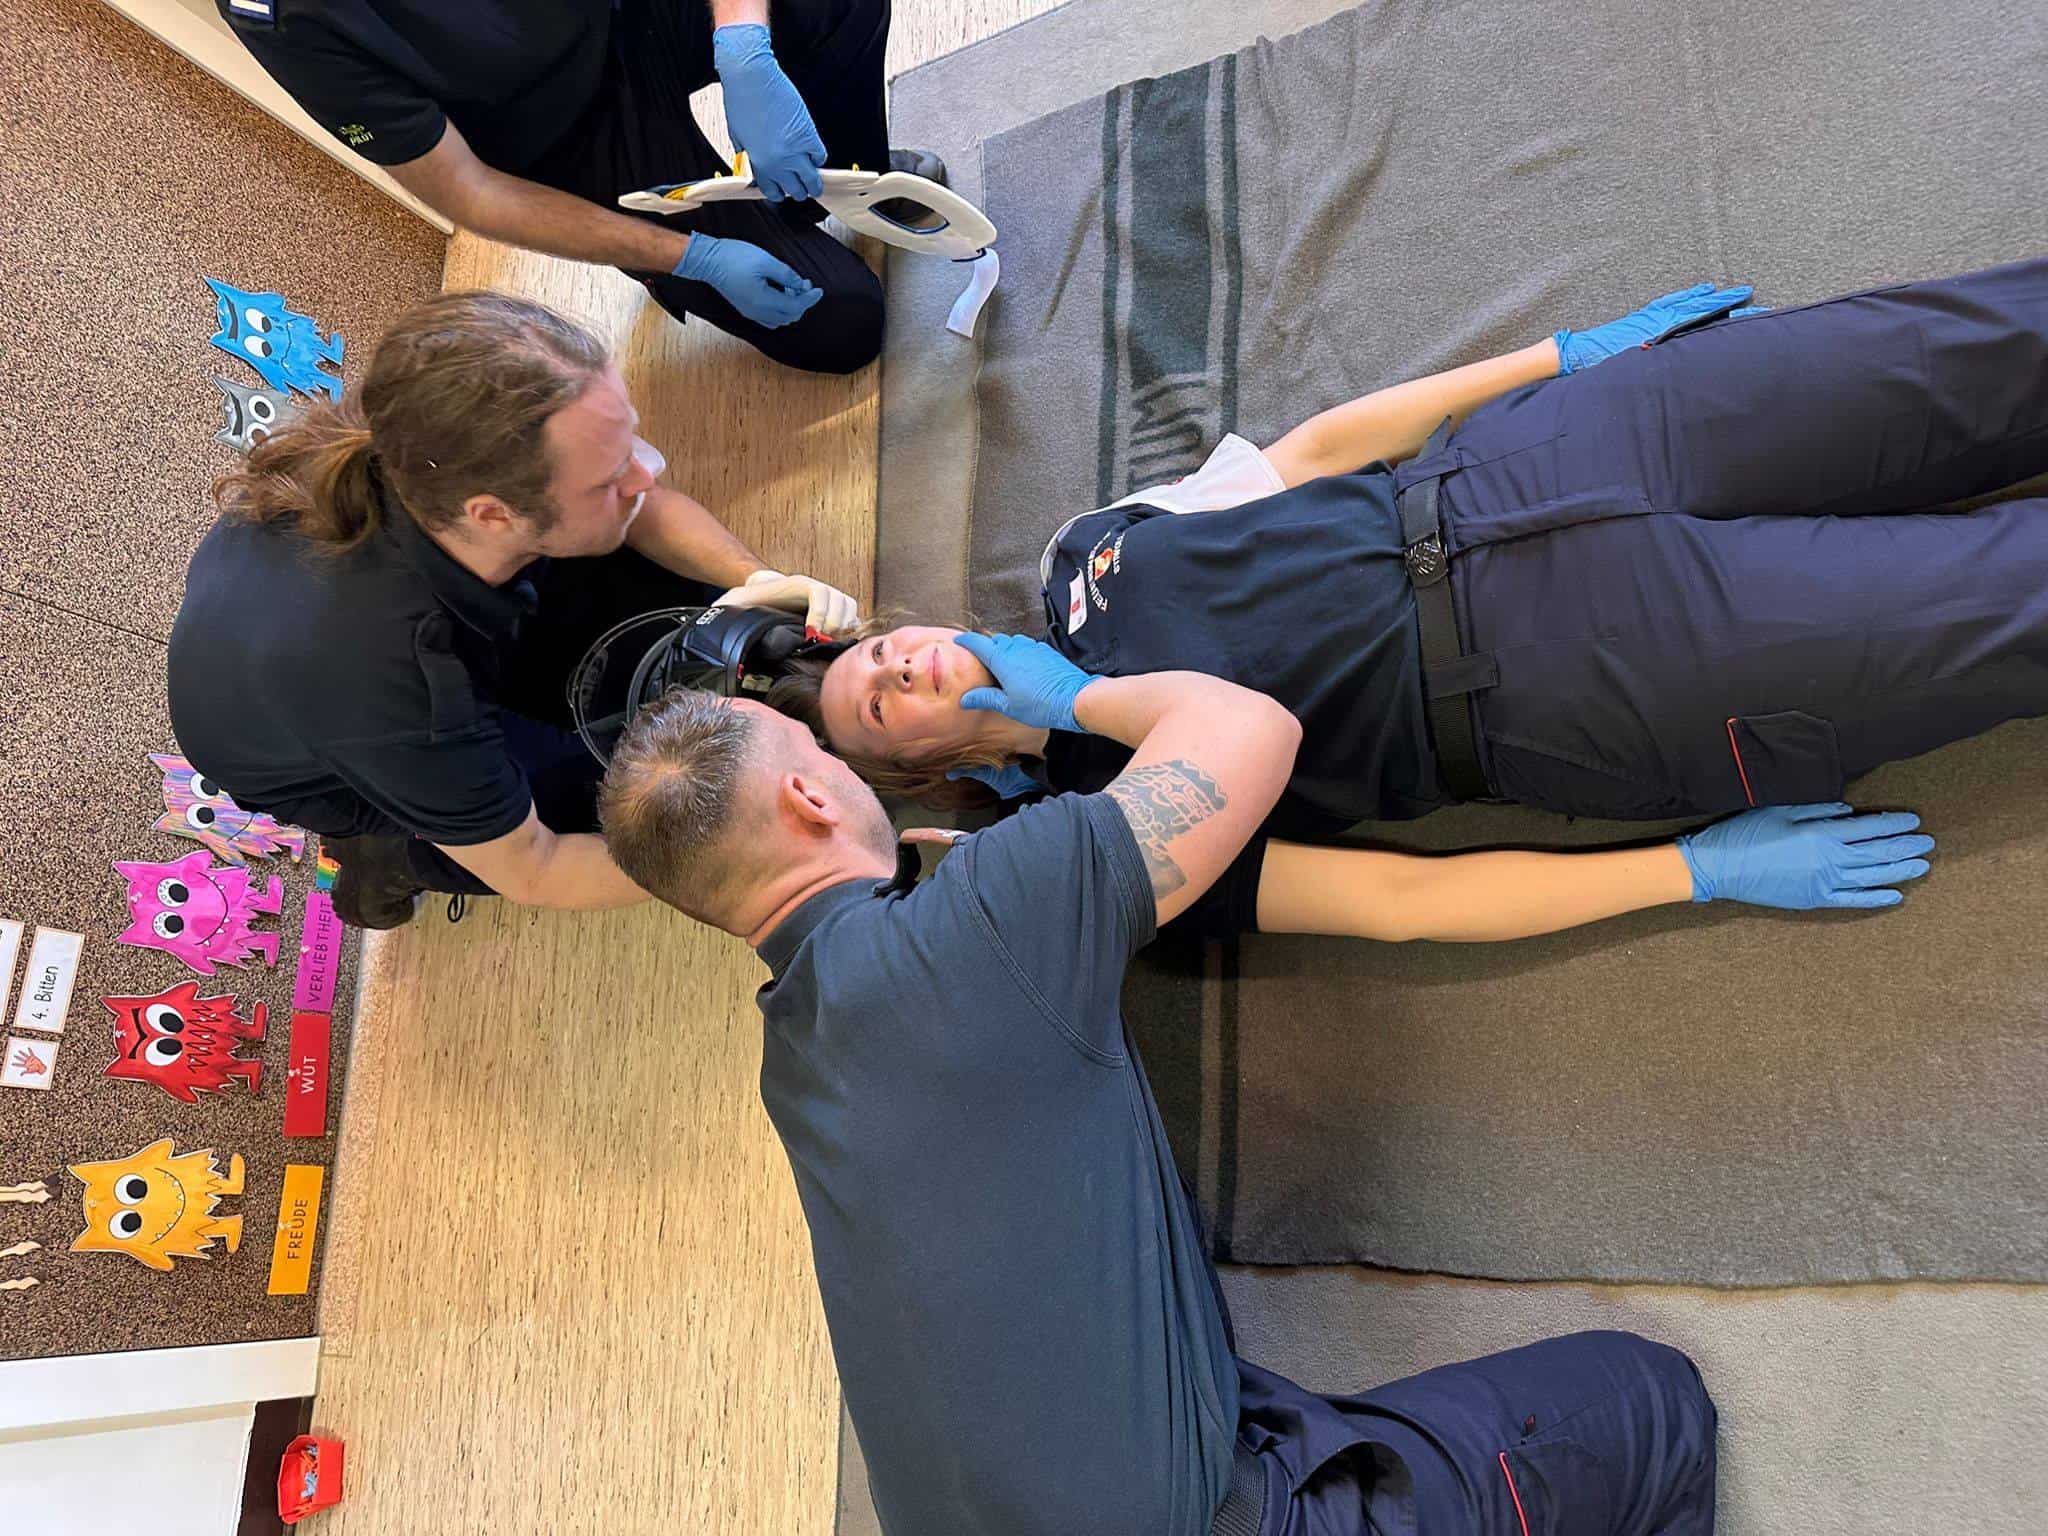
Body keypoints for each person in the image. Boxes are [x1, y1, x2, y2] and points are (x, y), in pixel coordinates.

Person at [595, 645, 1719, 1535]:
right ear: (808, 793)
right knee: (1649, 1401)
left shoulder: (792, 1061)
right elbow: (1248, 727)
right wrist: (1073, 699)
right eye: (826, 746)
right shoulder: (988, 913)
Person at [766, 259, 2048, 939]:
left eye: (879, 650)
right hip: (1580, 675)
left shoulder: (1081, 557)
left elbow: (1318, 451)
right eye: (878, 707)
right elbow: (1398, 904)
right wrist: (1694, 873)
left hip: (1531, 462)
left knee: (1963, 351)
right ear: (924, 771)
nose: (897, 665)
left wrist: (1565, 354)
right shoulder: (1100, 839)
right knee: (2001, 598)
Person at [168, 290, 860, 928]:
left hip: (369, 618)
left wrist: (756, 579)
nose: (647, 472)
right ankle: (390, 859)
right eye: (610, 475)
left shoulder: (440, 429)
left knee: (685, 603)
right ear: (493, 515)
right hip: (315, 740)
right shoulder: (400, 701)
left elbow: (644, 506)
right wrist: (746, 854)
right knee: (636, 805)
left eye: (629, 441)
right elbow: (539, 866)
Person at [218, 0, 931, 373]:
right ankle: (664, 264)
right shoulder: (288, 20)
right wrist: (693, 258)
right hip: (563, 139)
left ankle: (836, 185)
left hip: (632, 13)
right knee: (843, 322)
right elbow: (469, 191)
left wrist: (742, 40)